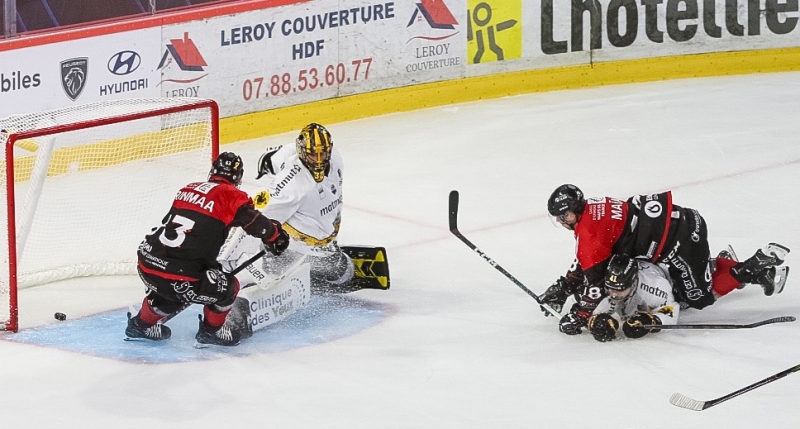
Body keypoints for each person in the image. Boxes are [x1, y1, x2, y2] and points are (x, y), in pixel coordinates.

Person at [540, 184, 790, 336]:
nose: (562, 222)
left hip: (682, 240)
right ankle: (719, 264)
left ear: (575, 209)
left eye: (564, 216)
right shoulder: (593, 208)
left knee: (698, 297)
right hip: (676, 227)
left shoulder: (590, 233)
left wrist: (581, 314)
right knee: (681, 287)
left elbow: (594, 279)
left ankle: (756, 266)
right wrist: (564, 287)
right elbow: (589, 263)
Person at [126, 152, 290, 346]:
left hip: (147, 263)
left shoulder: (187, 189)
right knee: (229, 287)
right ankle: (211, 332)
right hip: (179, 275)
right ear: (237, 177)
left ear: (213, 171)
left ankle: (140, 325)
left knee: (172, 290)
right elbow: (255, 223)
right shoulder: (232, 195)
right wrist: (275, 236)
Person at [224, 123, 356, 294]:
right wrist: (229, 257)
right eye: (312, 155)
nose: (318, 161)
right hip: (291, 247)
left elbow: (280, 156)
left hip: (325, 246)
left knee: (344, 274)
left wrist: (269, 159)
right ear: (302, 153)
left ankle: (304, 273)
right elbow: (256, 218)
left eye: (322, 154)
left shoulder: (335, 158)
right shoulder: (292, 187)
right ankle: (273, 272)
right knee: (337, 276)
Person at [586, 255, 679, 342]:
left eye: (620, 290)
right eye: (611, 289)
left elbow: (672, 308)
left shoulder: (656, 287)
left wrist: (651, 321)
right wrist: (596, 322)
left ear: (633, 283)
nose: (614, 295)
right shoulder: (601, 285)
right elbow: (587, 311)